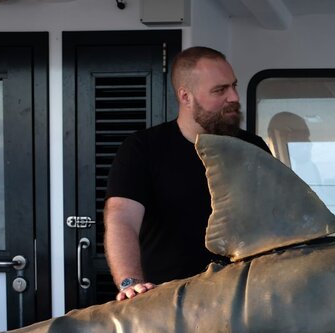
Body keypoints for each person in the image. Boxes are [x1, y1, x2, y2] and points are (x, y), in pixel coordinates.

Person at [104, 46, 271, 301]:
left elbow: (274, 218)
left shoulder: (253, 147)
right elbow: (122, 219)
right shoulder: (143, 149)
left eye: (234, 86)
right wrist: (131, 282)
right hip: (168, 303)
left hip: (242, 299)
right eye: (220, 90)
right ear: (186, 97)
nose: (234, 97)